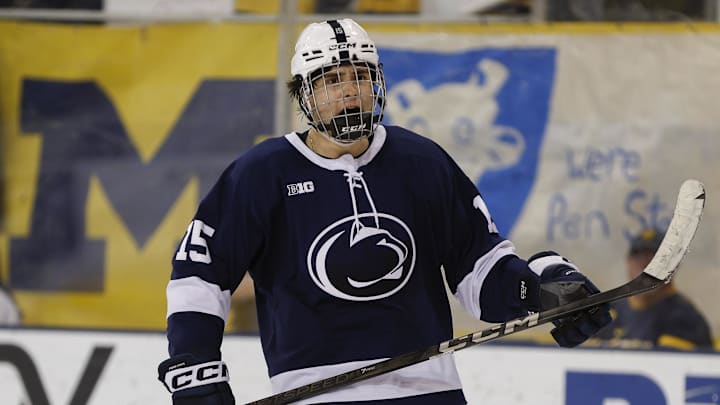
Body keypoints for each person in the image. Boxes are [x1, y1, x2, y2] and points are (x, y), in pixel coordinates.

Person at [157, 18, 612, 404]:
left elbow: (479, 274)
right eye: (331, 81)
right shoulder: (261, 173)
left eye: (358, 76)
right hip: (315, 393)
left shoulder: (421, 161)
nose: (349, 92)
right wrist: (196, 364)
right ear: (305, 94)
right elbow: (199, 275)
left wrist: (539, 290)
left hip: (428, 389)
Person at [597, 228, 713, 350]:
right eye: (638, 257)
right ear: (628, 262)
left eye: (656, 259)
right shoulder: (609, 311)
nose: (645, 265)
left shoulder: (685, 319)